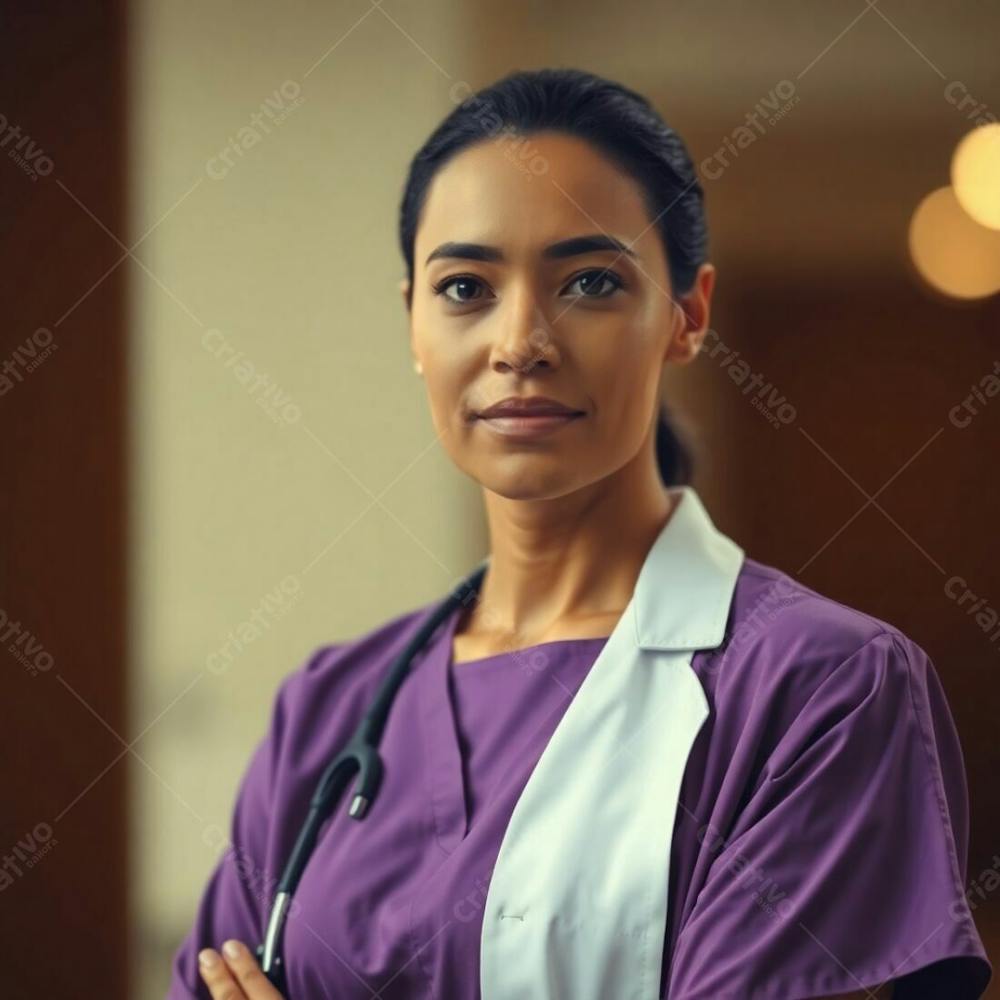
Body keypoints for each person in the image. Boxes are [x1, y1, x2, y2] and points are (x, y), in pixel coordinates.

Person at [169, 68, 993, 999]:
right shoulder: (325, 710)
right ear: (412, 322)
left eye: (591, 281)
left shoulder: (824, 690)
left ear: (687, 317)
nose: (521, 341)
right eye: (466, 287)